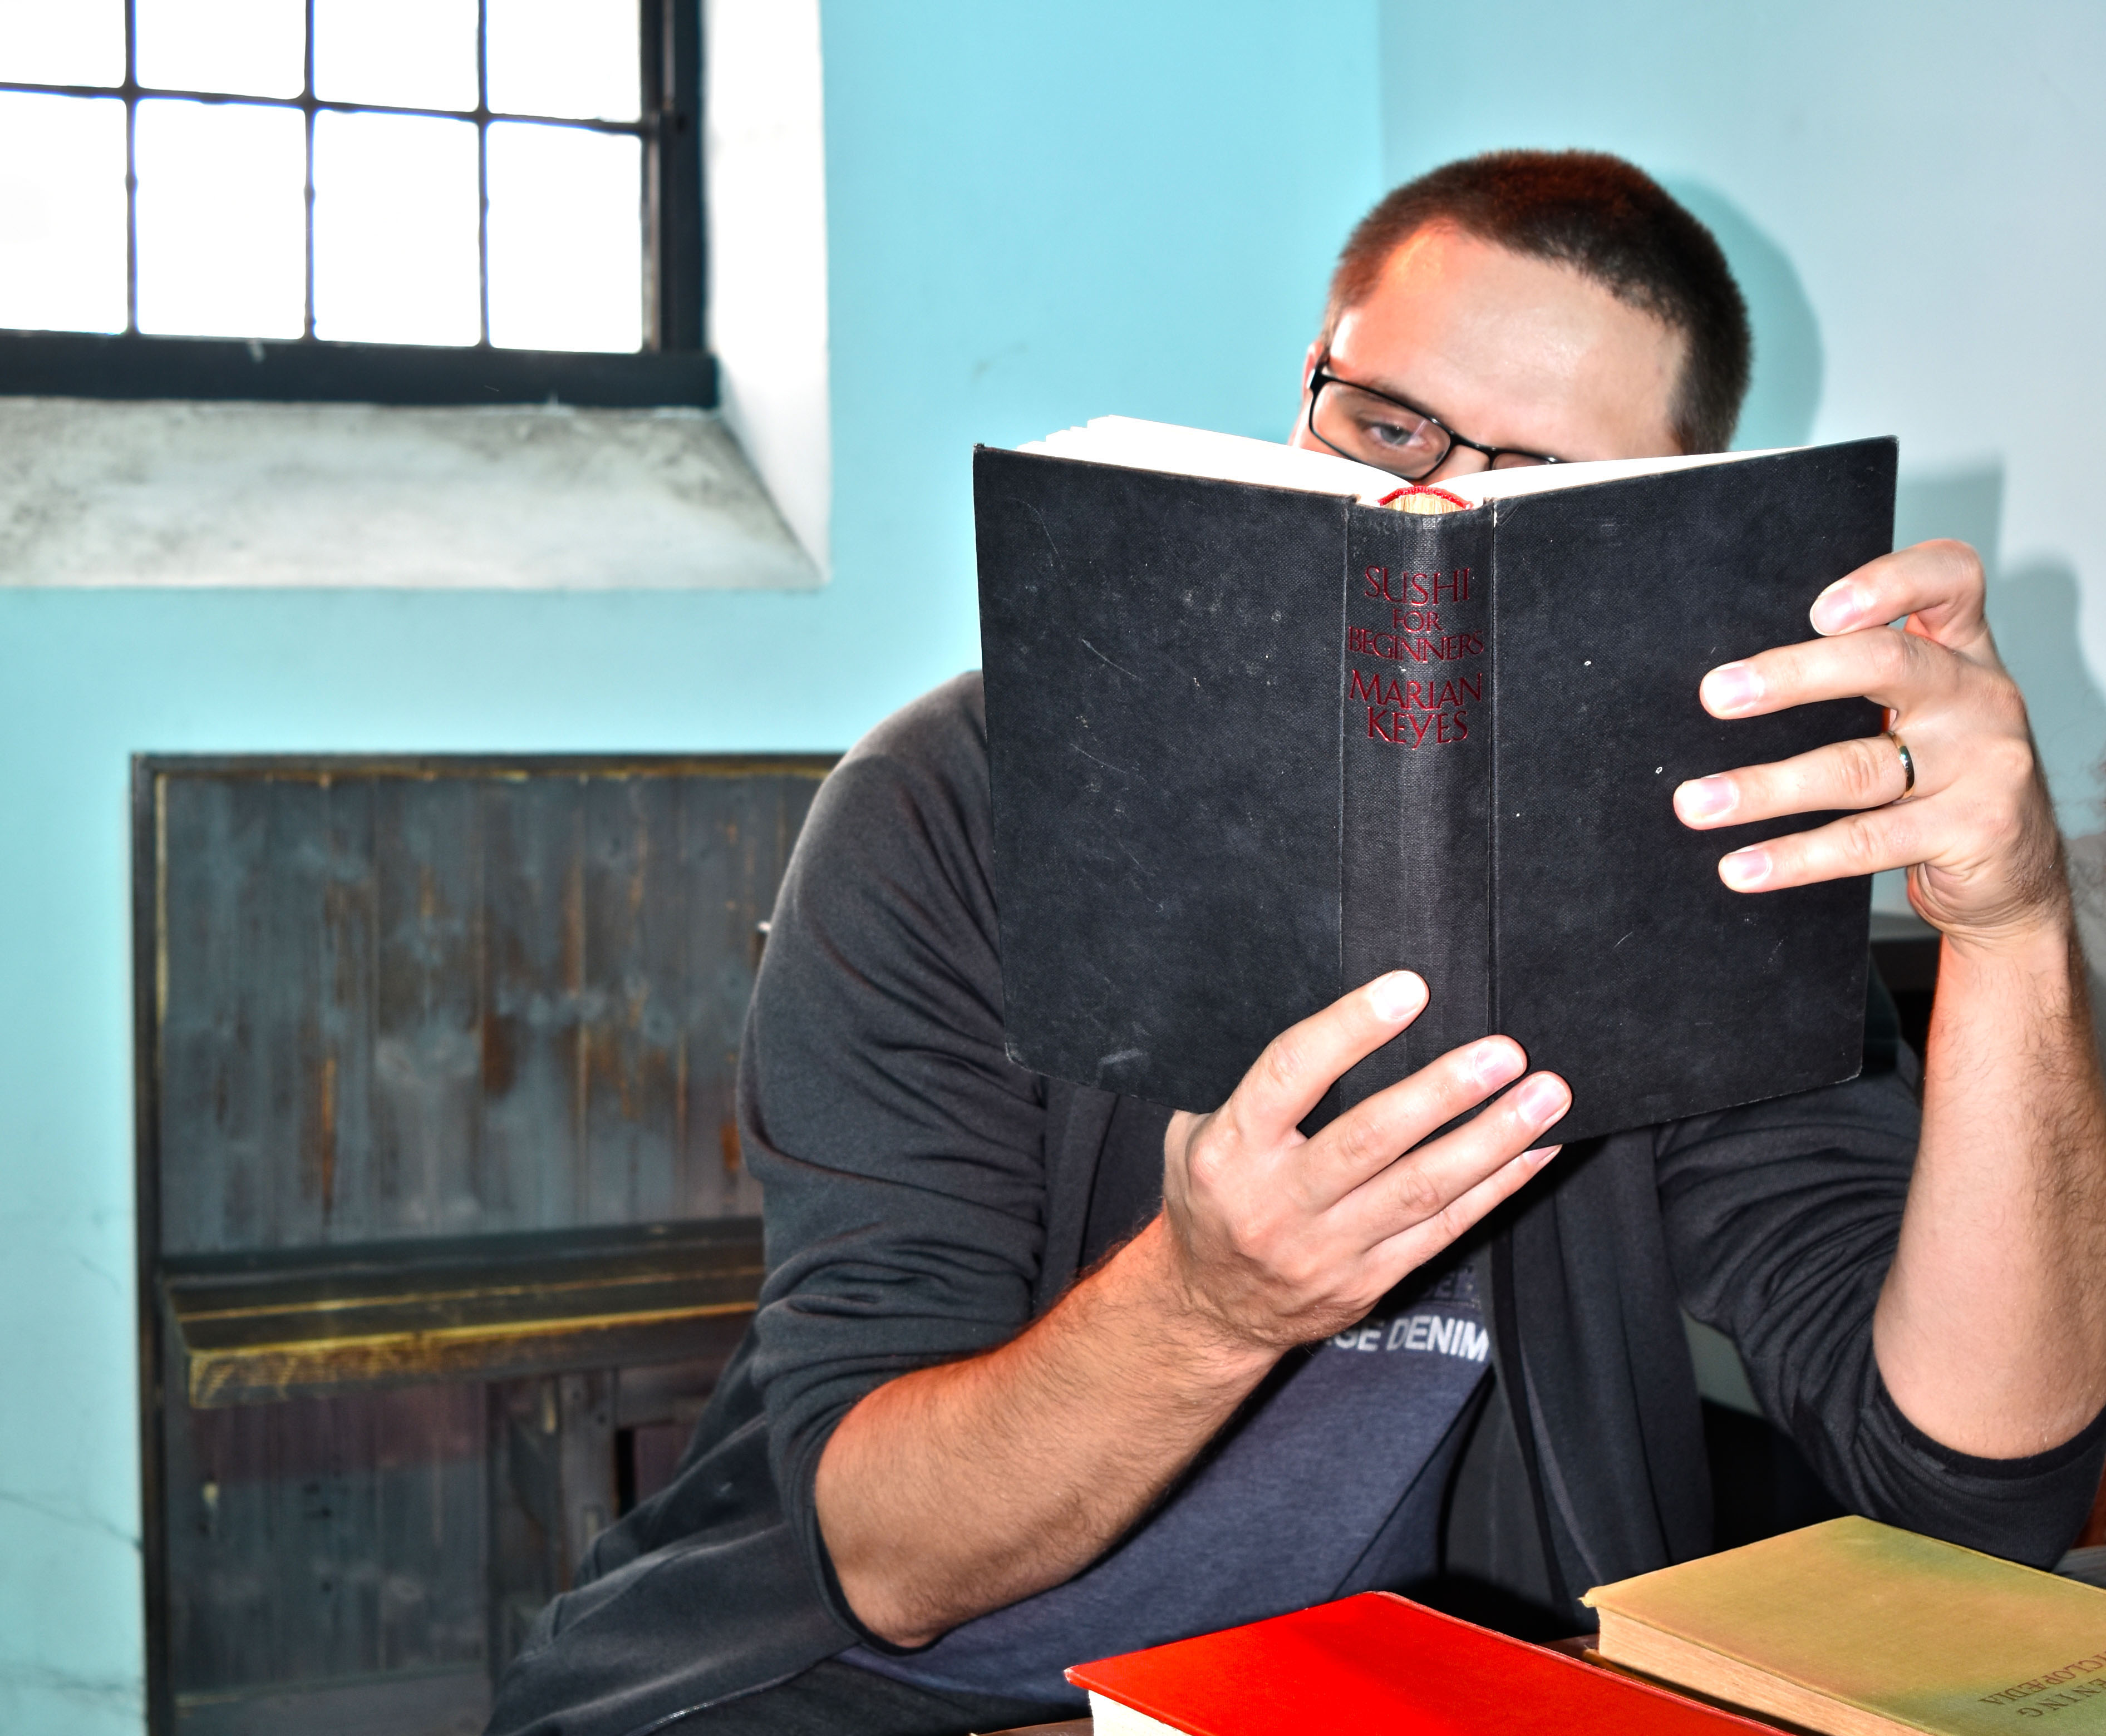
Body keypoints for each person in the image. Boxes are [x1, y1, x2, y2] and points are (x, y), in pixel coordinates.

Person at [488, 150, 2106, 1736]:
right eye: (1386, 425)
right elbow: (888, 1565)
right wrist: (1210, 1307)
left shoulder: (1701, 860)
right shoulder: (951, 803)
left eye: (1536, 489)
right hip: (850, 1695)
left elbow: (1977, 1486)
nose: (1424, 506)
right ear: (1306, 390)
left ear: (1674, 530)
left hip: (1361, 1692)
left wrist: (2015, 924)